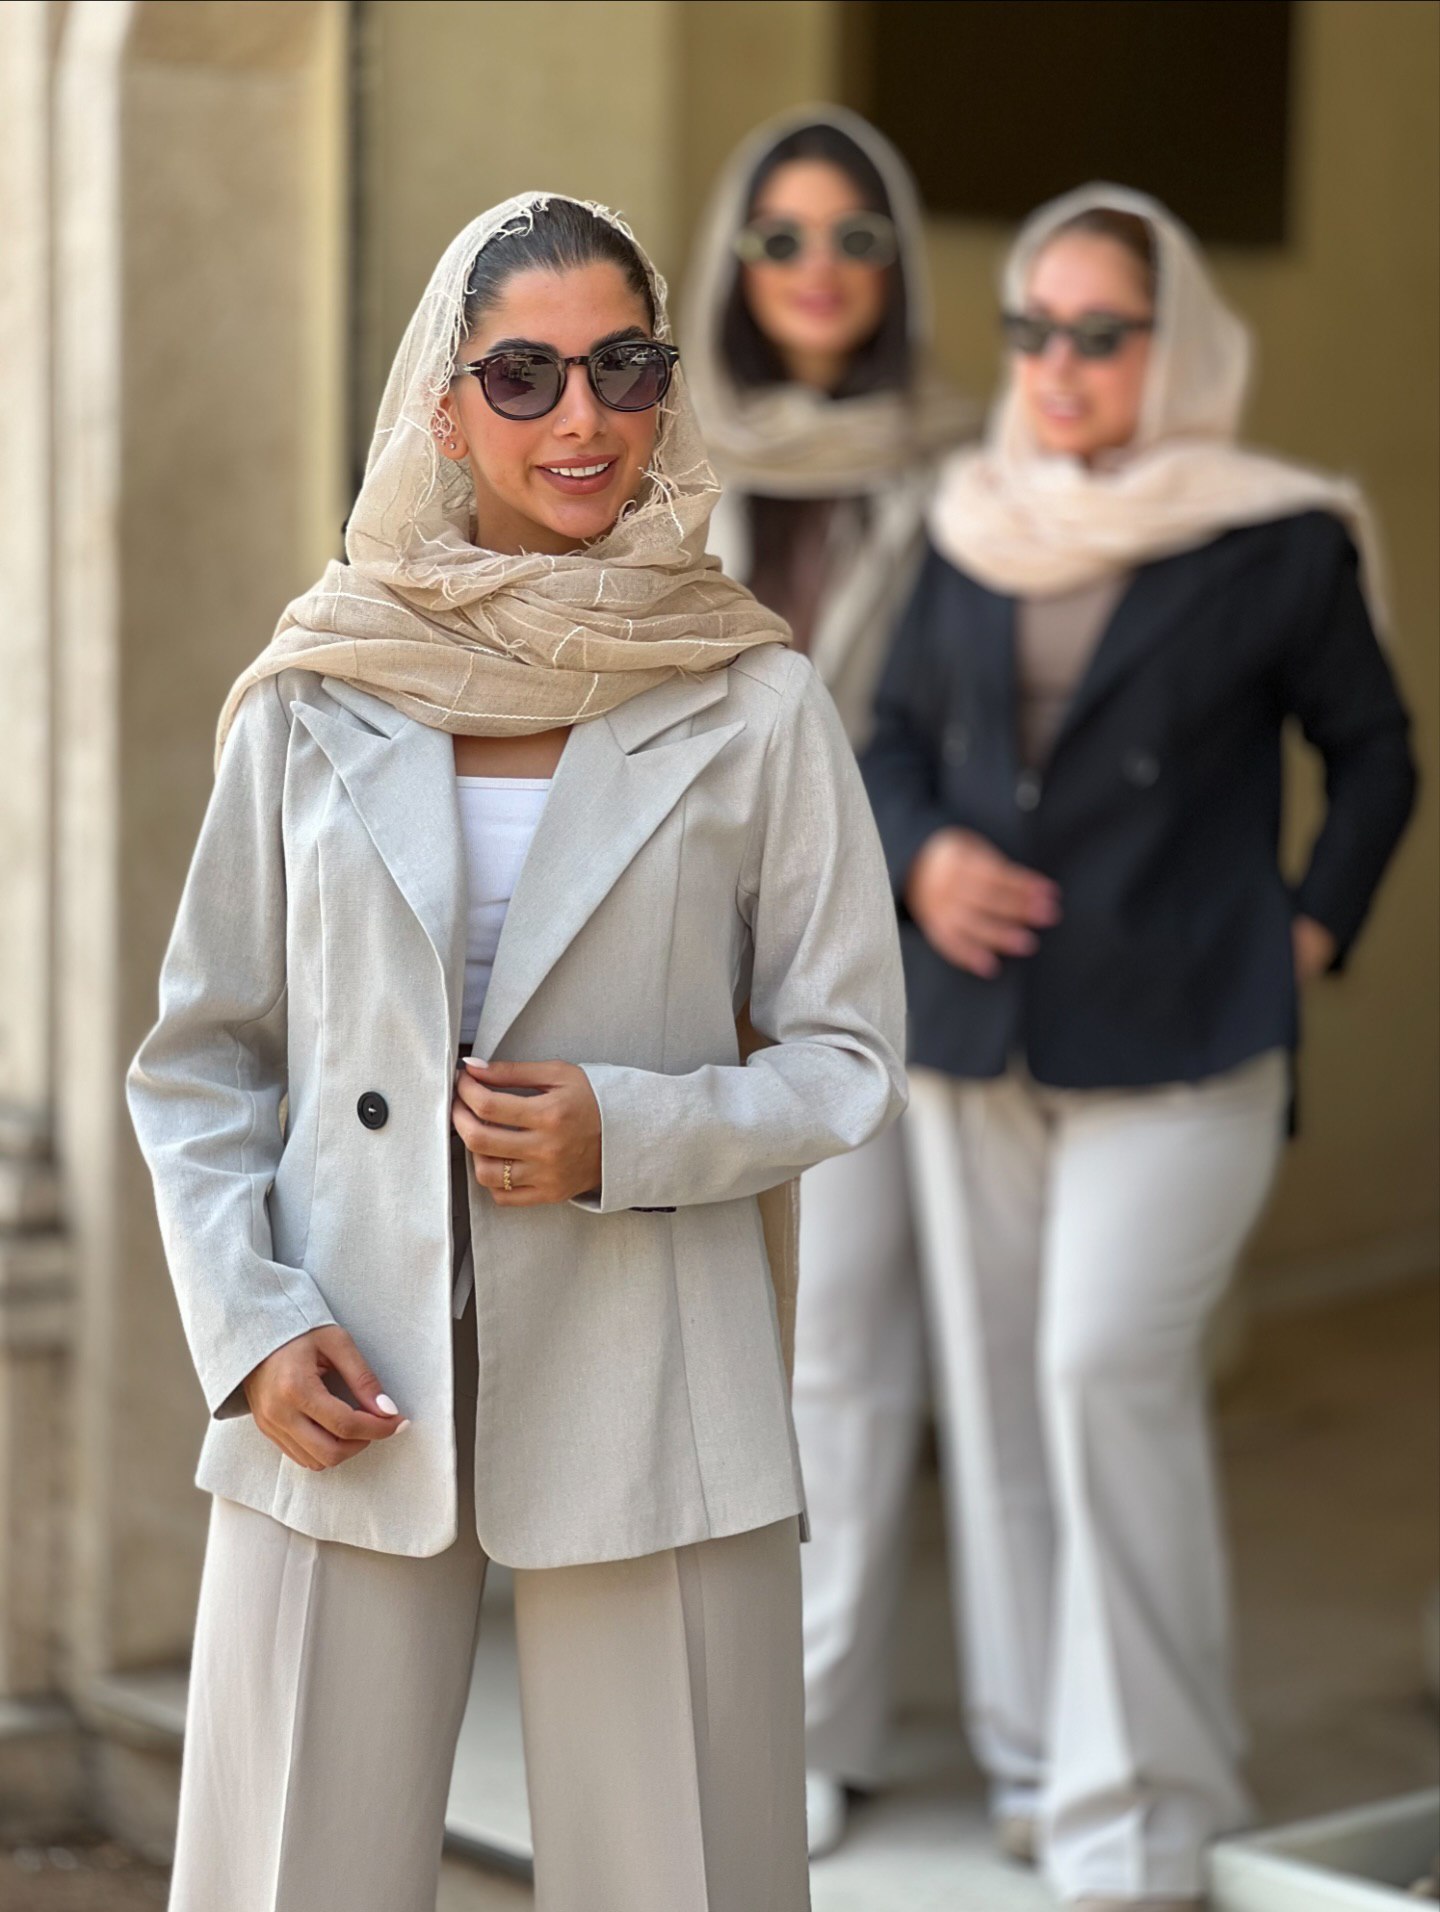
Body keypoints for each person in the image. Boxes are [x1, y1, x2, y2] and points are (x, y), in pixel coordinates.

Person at [126, 192, 907, 1912]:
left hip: (657, 1359)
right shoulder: (317, 686)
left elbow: (849, 1049)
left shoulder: (753, 697)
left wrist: (630, 1132)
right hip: (339, 1357)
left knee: (682, 1871)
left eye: (625, 367)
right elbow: (202, 1058)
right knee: (290, 1871)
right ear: (445, 401)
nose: (582, 418)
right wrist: (251, 1328)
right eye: (527, 374)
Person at [861, 183, 1416, 1912]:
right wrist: (920, 859)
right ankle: (1043, 1767)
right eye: (1035, 329)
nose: (1060, 365)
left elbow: (1377, 754)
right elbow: (886, 738)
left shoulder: (1278, 536)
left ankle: (1154, 1808)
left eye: (1101, 333)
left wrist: (1309, 928)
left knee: (1105, 1370)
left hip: (1184, 1037)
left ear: (1177, 347)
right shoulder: (967, 518)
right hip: (977, 1034)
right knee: (1003, 1412)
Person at [684, 105, 973, 1856]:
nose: (816, 271)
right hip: (670, 953)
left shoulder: (956, 472)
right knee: (676, 1353)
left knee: (844, 1355)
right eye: (781, 237)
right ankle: (681, 1708)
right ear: (737, 261)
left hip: (865, 956)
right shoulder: (663, 458)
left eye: (854, 239)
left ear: (898, 265)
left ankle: (813, 1730)